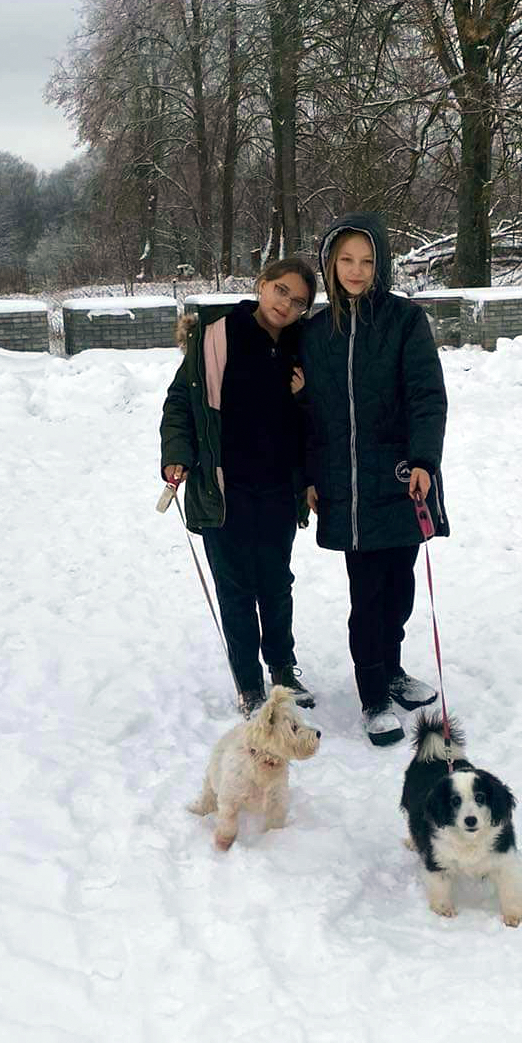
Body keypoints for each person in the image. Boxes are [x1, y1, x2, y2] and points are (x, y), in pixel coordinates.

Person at [298, 213, 449, 746]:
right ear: (330, 264)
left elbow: (427, 395)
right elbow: (304, 414)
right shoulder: (314, 332)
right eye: (346, 260)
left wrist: (425, 460)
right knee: (367, 594)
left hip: (402, 477)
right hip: (346, 484)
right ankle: (373, 695)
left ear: (380, 263)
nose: (356, 270)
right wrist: (308, 476)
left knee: (399, 586)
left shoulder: (405, 320)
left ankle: (392, 668)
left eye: (366, 260)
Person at [160, 257, 318, 719]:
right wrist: (176, 453)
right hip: (222, 488)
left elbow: (318, 418)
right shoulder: (216, 335)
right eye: (281, 290)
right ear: (262, 284)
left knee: (276, 584)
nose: (286, 305)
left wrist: (304, 395)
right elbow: (180, 402)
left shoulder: (303, 345)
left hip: (278, 488)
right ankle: (249, 683)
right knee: (235, 589)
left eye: (298, 301)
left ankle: (283, 670)